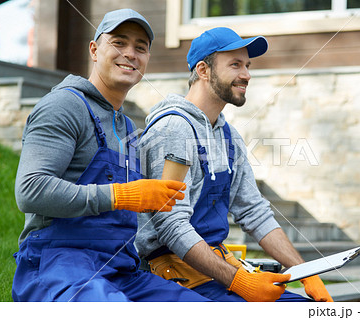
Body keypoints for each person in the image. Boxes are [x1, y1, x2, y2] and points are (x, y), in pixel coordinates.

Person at [12, 8, 210, 302]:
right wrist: (121, 195)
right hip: (58, 265)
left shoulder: (127, 126)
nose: (130, 53)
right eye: (119, 42)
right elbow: (30, 191)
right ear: (94, 49)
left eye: (140, 48)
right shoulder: (64, 106)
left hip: (120, 270)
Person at [136, 27, 333, 302]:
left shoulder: (228, 136)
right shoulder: (173, 129)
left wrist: (305, 271)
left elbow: (255, 212)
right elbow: (171, 226)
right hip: (175, 276)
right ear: (204, 70)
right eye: (235, 65)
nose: (247, 75)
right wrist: (240, 281)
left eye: (248, 66)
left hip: (217, 269)